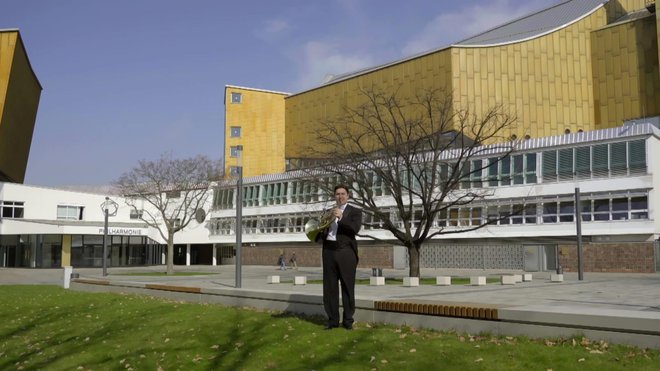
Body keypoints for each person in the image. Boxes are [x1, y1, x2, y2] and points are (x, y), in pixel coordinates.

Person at [316, 184, 362, 330]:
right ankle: (332, 321)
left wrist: (341, 218)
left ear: (348, 196)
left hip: (346, 252)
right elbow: (323, 232)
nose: (340, 196)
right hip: (328, 251)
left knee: (347, 287)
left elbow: (354, 229)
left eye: (343, 194)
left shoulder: (355, 212)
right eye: (337, 194)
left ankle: (348, 320)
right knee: (329, 288)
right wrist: (318, 231)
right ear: (334, 196)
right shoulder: (328, 212)